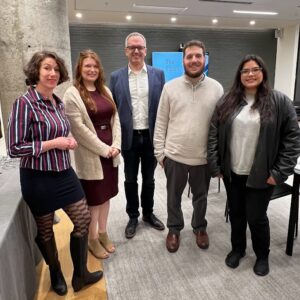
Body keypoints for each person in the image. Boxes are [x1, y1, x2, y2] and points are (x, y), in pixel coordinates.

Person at [7, 51, 102, 296]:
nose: (52, 74)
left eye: (56, 70)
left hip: (64, 173)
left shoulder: (56, 101)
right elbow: (14, 147)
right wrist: (54, 143)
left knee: (82, 220)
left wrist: (68, 140)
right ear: (36, 72)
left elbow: (59, 133)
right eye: (47, 68)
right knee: (46, 229)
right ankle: (56, 272)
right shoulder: (24, 103)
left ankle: (80, 275)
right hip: (38, 178)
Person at [207, 54, 300, 276]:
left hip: (262, 174)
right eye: (245, 70)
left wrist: (279, 173)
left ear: (263, 72)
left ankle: (262, 255)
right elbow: (213, 133)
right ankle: (238, 249)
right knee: (237, 214)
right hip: (233, 172)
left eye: (255, 69)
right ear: (239, 75)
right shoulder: (227, 101)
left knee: (257, 218)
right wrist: (216, 165)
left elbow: (292, 139)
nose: (250, 74)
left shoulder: (280, 101)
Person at [154, 40, 224, 253]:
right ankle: (174, 229)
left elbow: (221, 126)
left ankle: (199, 227)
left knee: (201, 198)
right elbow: (161, 122)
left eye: (198, 56)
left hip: (203, 159)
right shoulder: (170, 87)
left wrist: (218, 157)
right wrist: (160, 154)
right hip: (174, 156)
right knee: (173, 197)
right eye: (189, 56)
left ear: (204, 59)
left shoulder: (217, 88)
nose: (194, 60)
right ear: (183, 60)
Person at [63, 50, 121, 259]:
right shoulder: (72, 94)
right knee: (94, 201)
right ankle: (92, 238)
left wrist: (116, 145)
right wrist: (105, 149)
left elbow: (116, 120)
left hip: (110, 153)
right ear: (79, 68)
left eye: (95, 66)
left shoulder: (104, 90)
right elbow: (79, 130)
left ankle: (103, 233)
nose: (92, 70)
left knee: (106, 197)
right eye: (87, 66)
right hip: (91, 156)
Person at [110, 32, 165, 239]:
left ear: (145, 50)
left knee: (149, 179)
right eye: (132, 47)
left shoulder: (158, 74)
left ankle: (148, 214)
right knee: (130, 179)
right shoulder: (116, 77)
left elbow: (162, 108)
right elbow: (113, 110)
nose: (136, 51)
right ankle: (133, 216)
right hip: (129, 138)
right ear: (126, 51)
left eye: (140, 47)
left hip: (151, 137)